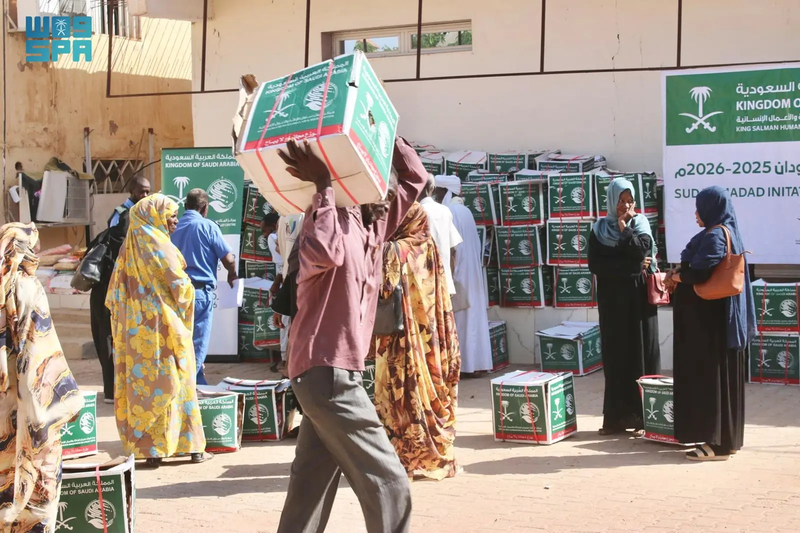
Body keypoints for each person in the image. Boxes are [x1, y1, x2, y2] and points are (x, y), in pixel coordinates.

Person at [276, 138, 426, 533]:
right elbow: (325, 254)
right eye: (380, 186)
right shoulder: (331, 219)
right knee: (390, 482)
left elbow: (416, 178)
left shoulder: (373, 230)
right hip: (326, 372)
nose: (388, 195)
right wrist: (324, 185)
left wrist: (384, 132)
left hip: (333, 375)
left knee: (310, 485)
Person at [106, 194, 209, 467]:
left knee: (146, 387)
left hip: (136, 332)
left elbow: (115, 294)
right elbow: (179, 286)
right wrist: (190, 290)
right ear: (155, 217)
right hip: (165, 328)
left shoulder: (129, 247)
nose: (175, 221)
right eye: (170, 216)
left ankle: (150, 449)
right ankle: (190, 445)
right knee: (177, 381)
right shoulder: (160, 244)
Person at [0, 223, 83, 531]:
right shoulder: (28, 287)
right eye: (33, 246)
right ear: (21, 251)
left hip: (4, 405)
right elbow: (39, 354)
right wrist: (62, 401)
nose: (38, 252)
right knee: (39, 481)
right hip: (31, 404)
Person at [371, 203, 461, 480]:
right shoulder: (429, 245)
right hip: (431, 337)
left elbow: (384, 288)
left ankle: (404, 459)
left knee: (402, 394)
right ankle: (435, 455)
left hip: (402, 339)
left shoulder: (393, 250)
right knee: (431, 388)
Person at [666, 186, 755, 461]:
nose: (696, 213)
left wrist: (677, 277)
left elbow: (701, 272)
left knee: (711, 381)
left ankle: (716, 444)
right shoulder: (726, 232)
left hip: (710, 325)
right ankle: (727, 441)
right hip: (717, 322)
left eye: (700, 207)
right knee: (723, 381)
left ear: (712, 208)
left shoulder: (716, 235)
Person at [588, 178, 660, 436]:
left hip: (639, 301)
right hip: (612, 301)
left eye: (630, 201)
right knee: (616, 356)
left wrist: (624, 228)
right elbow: (596, 265)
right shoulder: (599, 229)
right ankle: (616, 419)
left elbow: (642, 251)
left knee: (640, 354)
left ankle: (645, 418)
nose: (626, 206)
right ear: (611, 201)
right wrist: (631, 267)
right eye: (621, 201)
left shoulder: (640, 224)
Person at [90, 175, 150, 404]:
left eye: (148, 191)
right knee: (107, 336)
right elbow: (119, 253)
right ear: (131, 190)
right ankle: (111, 390)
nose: (145, 195)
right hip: (110, 286)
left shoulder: (133, 216)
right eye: (141, 191)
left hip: (118, 286)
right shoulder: (125, 216)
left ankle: (117, 388)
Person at [171, 189, 237, 386]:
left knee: (180, 341)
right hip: (199, 293)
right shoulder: (208, 226)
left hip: (174, 293)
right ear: (205, 207)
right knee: (197, 343)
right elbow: (228, 259)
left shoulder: (172, 226)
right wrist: (232, 273)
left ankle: (194, 380)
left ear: (185, 206)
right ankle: (191, 387)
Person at [435, 175, 494, 374]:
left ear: (446, 191)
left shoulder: (450, 211)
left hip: (459, 273)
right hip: (471, 274)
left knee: (461, 322)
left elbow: (453, 248)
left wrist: (450, 275)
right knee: (472, 320)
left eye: (438, 192)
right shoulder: (465, 210)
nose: (436, 196)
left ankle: (463, 367)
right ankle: (474, 365)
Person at [419, 174, 462, 295]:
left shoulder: (417, 212)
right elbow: (453, 250)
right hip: (445, 283)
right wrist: (450, 280)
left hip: (424, 285)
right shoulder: (445, 210)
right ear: (432, 189)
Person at [261, 212, 285, 373]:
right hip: (285, 279)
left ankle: (285, 359)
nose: (264, 235)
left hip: (284, 282)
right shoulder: (277, 237)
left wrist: (276, 284)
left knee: (284, 322)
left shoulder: (273, 237)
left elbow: (282, 265)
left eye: (265, 230)